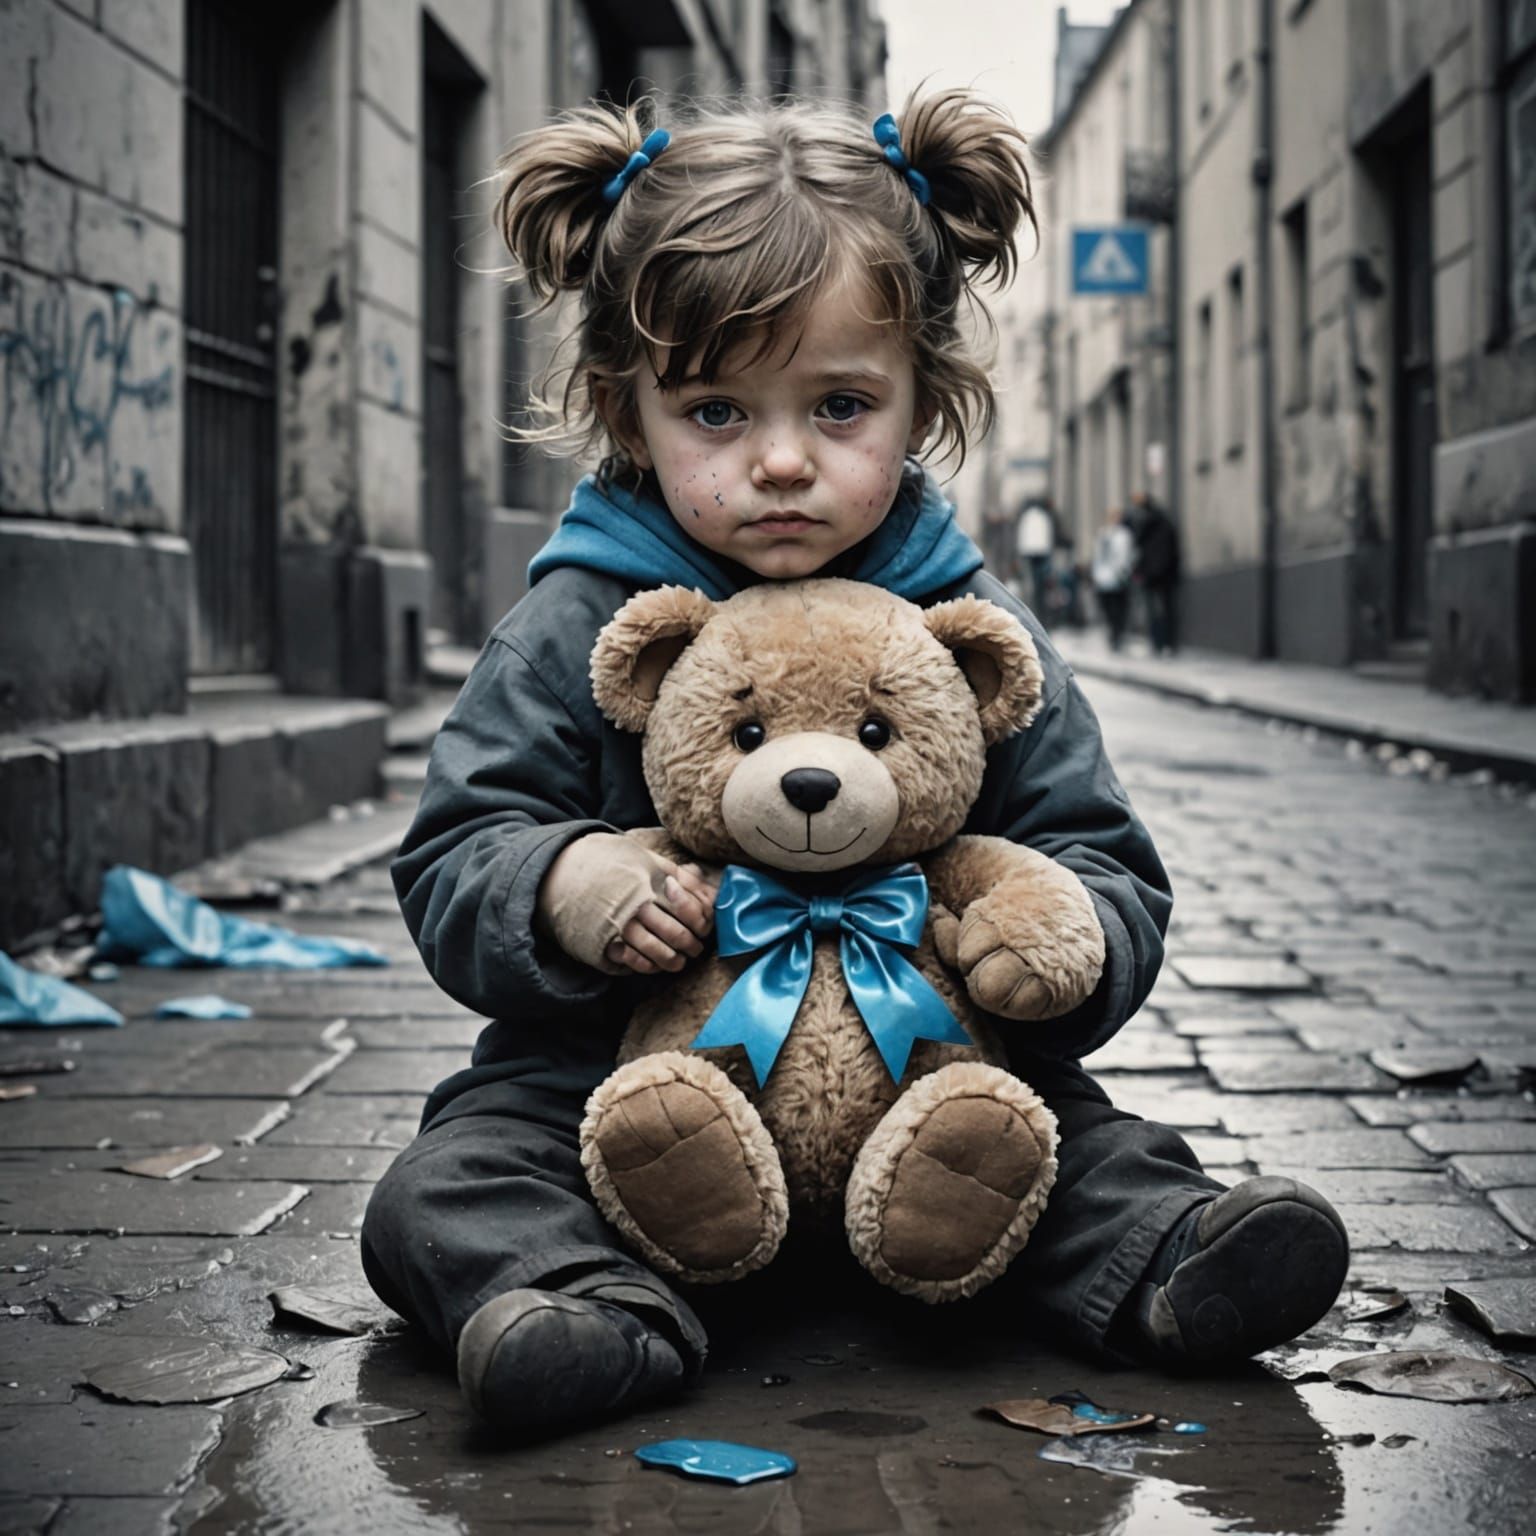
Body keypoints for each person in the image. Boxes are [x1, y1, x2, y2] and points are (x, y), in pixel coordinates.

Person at [363, 91, 1347, 1440]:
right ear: (627, 408)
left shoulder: (972, 629)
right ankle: (580, 1309)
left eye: (839, 406)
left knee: (1086, 1146)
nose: (780, 462)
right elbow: (456, 849)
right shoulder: (579, 624)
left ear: (924, 398)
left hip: (939, 1085)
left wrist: (1054, 944)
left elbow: (1099, 857)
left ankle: (1173, 1264)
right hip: (618, 1098)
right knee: (448, 1184)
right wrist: (566, 883)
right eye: (715, 410)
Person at [1131, 489, 1181, 655]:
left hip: (1153, 575)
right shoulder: (1167, 523)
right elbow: (1175, 550)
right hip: (1167, 574)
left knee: (1154, 610)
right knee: (1167, 609)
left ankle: (1157, 643)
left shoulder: (1144, 526)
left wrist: (1140, 571)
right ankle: (1169, 643)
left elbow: (1139, 550)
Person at [1091, 506, 1136, 651]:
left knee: (1119, 610)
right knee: (1108, 609)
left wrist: (1124, 572)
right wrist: (1096, 574)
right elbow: (1097, 556)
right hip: (1104, 579)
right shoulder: (1103, 534)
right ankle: (1113, 635)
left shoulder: (1124, 535)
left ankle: (1118, 636)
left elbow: (1126, 555)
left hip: (1119, 579)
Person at [1013, 494, 1056, 613]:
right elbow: (1047, 537)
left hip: (1030, 554)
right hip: (1041, 553)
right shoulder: (1043, 517)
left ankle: (1035, 609)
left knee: (1033, 585)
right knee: (1041, 585)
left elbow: (1022, 538)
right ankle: (1041, 610)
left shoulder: (1026, 517)